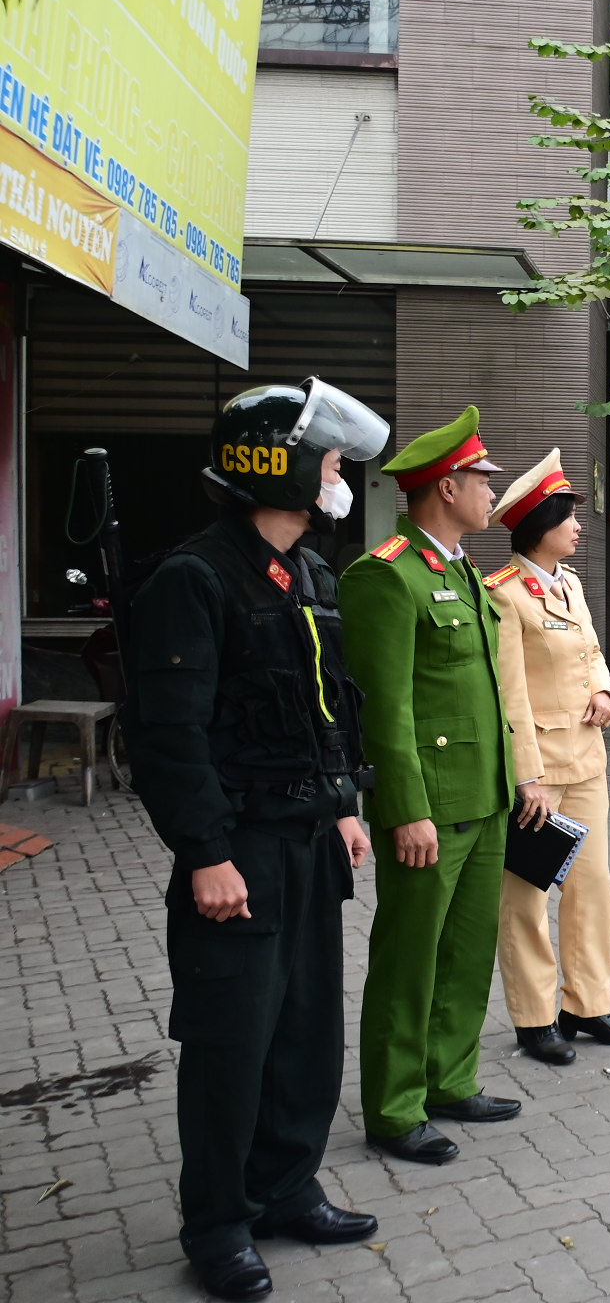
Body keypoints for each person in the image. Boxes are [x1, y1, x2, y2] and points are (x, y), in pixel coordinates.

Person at [124, 378, 388, 1301]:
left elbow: (328, 710)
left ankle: (286, 1189)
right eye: (329, 463)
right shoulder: (194, 578)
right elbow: (168, 737)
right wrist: (205, 853)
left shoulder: (308, 573)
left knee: (305, 1033)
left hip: (308, 841)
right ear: (280, 468)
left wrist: (345, 803)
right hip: (238, 850)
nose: (339, 478)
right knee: (231, 1045)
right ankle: (219, 1224)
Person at [342, 406, 520, 1166]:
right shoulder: (387, 575)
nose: (492, 492)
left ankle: (450, 1079)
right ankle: (394, 1107)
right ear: (447, 487)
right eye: (483, 479)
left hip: (485, 796)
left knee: (468, 951)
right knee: (409, 960)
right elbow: (385, 708)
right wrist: (404, 809)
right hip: (431, 808)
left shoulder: (462, 572)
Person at [484, 451, 610, 1066]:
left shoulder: (570, 583)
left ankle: (588, 1005)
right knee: (528, 899)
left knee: (592, 889)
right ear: (540, 523)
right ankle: (534, 1018)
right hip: (541, 777)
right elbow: (509, 695)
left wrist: (605, 692)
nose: (580, 527)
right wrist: (526, 776)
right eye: (569, 517)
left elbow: (592, 652)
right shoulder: (505, 595)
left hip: (586, 762)